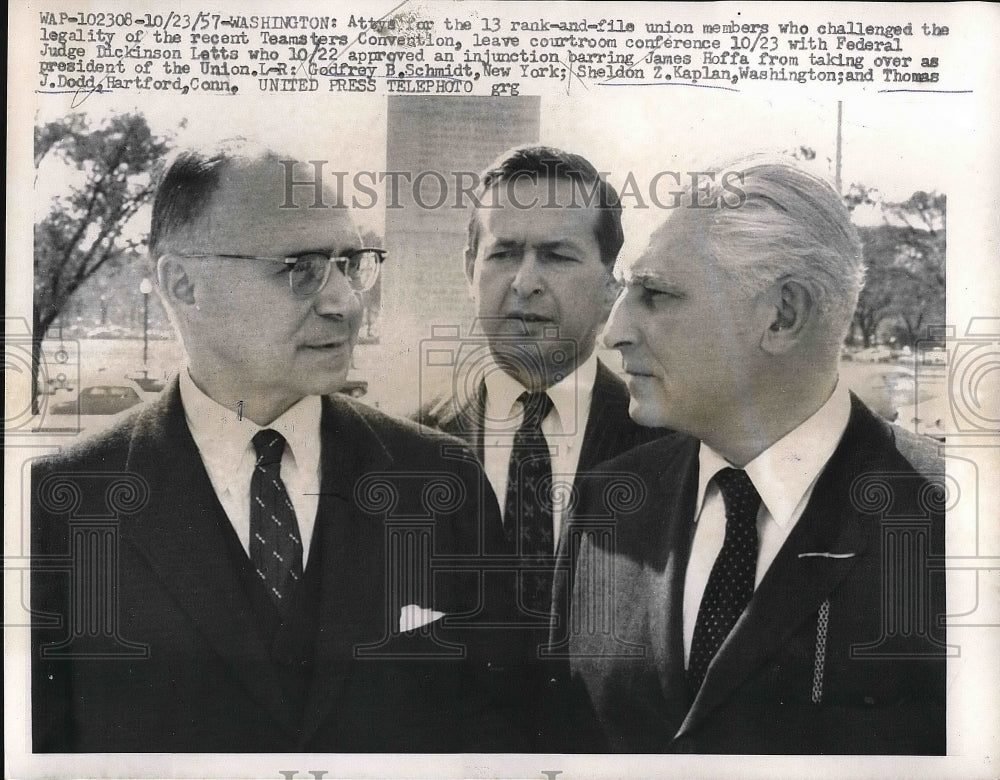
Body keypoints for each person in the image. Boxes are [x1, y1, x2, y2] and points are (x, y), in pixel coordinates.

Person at [31, 142, 501, 752]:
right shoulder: (61, 505)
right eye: (299, 267)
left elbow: (499, 735)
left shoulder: (444, 481)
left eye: (351, 263)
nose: (345, 303)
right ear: (183, 285)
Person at [566, 158, 947, 754]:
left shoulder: (953, 517)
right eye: (623, 293)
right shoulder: (607, 501)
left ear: (783, 315)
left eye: (656, 293)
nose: (614, 330)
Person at [417, 145, 669, 750]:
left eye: (557, 256)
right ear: (469, 266)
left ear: (613, 281)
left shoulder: (672, 449)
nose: (525, 283)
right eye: (503, 253)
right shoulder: (406, 447)